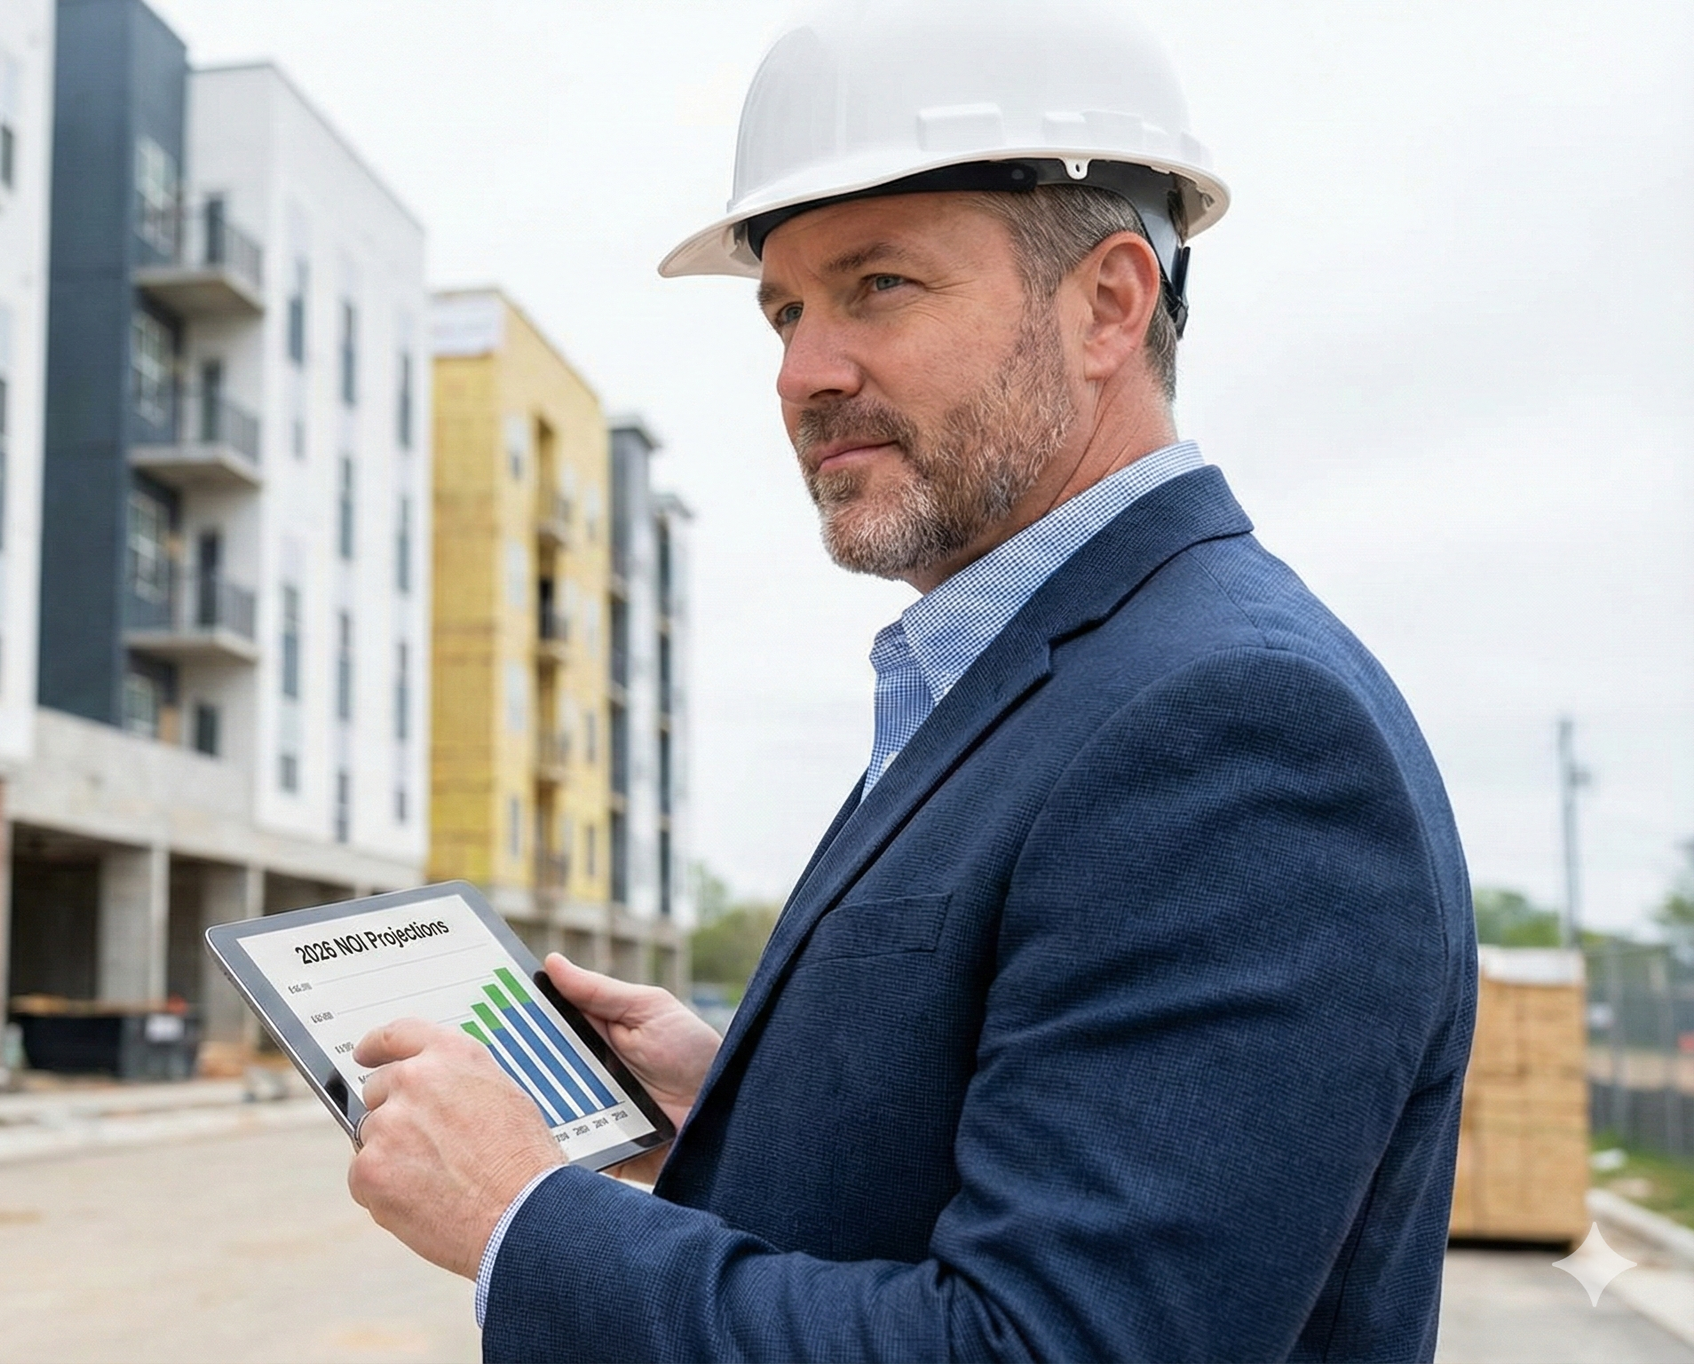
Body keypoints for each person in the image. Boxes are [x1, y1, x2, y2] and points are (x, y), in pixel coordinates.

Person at [343, 1, 1477, 1359]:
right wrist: (741, 1106)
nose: (804, 374)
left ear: (1110, 304)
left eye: (880, 285)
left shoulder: (1235, 729)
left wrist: (520, 1216)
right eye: (784, 310)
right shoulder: (1037, 676)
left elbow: (1044, 1346)